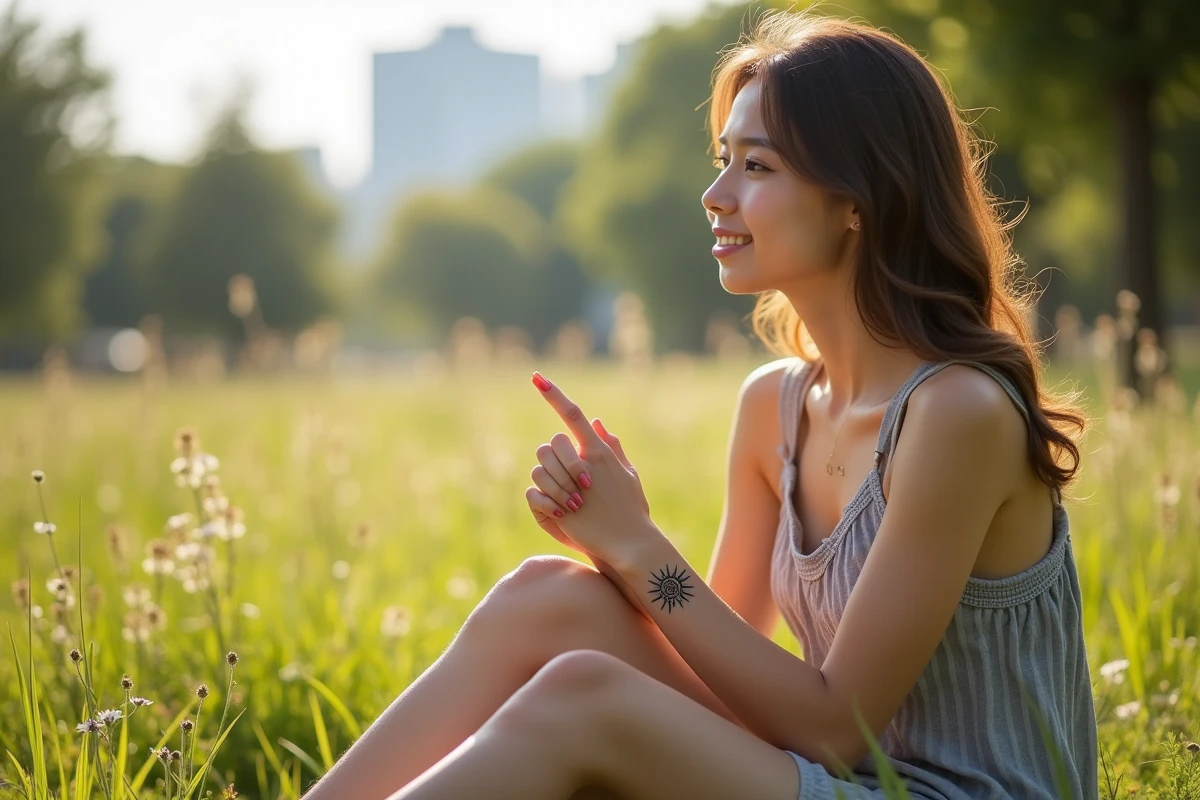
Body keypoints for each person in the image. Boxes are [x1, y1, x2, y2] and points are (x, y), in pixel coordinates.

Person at [306, 8, 1098, 799]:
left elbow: (834, 726)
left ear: (858, 198)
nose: (715, 195)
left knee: (583, 698)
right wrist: (619, 555)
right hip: (842, 779)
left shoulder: (957, 412)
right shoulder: (774, 407)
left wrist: (642, 546)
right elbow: (726, 675)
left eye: (757, 168)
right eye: (723, 160)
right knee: (543, 598)